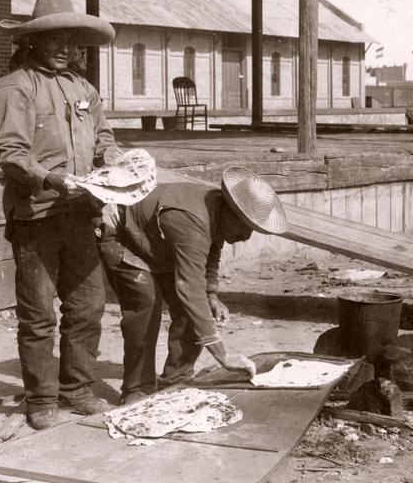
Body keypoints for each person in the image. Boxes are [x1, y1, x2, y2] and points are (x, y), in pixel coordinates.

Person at [0, 0, 119, 430]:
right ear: (35, 41)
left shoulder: (83, 88)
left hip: (81, 213)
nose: (64, 47)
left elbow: (103, 137)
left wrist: (115, 157)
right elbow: (9, 153)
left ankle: (78, 389)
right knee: (39, 313)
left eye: (71, 39)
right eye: (55, 39)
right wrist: (49, 179)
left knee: (87, 306)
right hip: (37, 216)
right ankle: (41, 399)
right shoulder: (16, 87)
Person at [97, 166, 289, 403]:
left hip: (159, 245)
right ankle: (137, 387)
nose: (247, 236)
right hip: (124, 236)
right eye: (246, 227)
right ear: (230, 211)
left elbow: (212, 253)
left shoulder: (218, 210)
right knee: (146, 303)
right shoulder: (192, 219)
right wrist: (223, 355)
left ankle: (175, 379)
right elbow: (189, 287)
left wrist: (211, 294)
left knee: (197, 310)